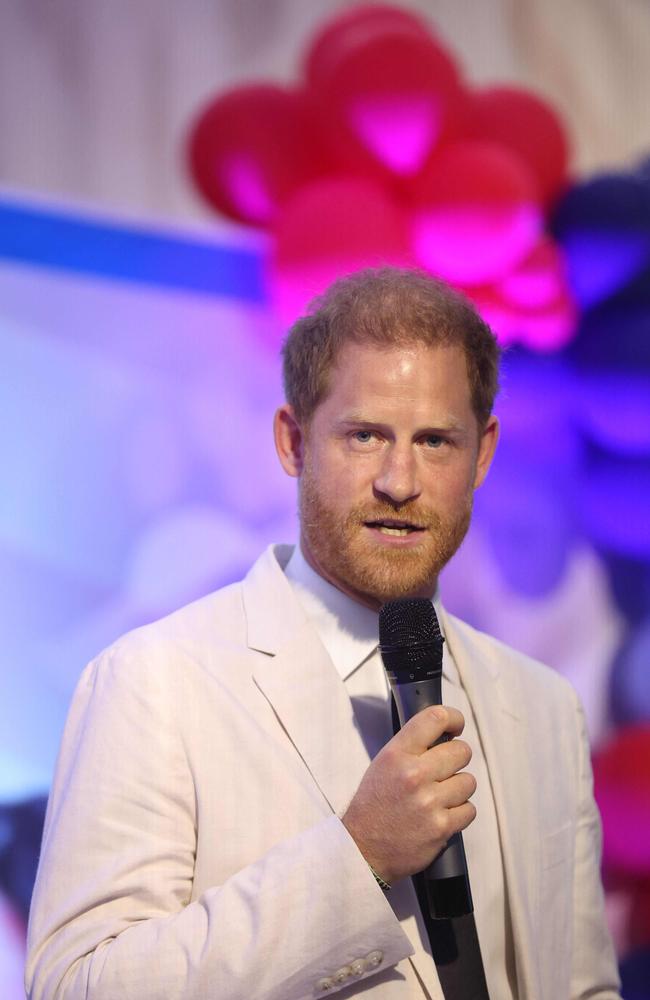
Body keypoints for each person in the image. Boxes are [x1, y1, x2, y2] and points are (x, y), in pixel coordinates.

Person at [25, 268, 621, 999]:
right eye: (364, 435)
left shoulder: (546, 707)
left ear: (483, 455)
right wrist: (357, 855)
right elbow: (78, 987)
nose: (400, 480)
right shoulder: (155, 682)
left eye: (436, 441)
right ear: (293, 442)